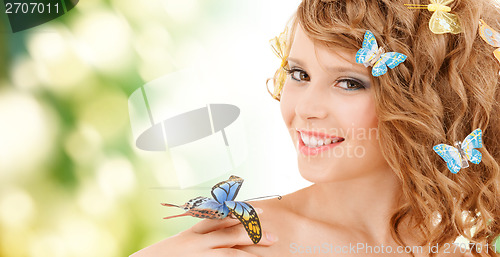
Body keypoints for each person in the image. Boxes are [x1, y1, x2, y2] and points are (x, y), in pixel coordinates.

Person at [130, 0, 500, 256]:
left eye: (349, 83)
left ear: (429, 102)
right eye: (299, 74)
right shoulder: (238, 245)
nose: (305, 108)